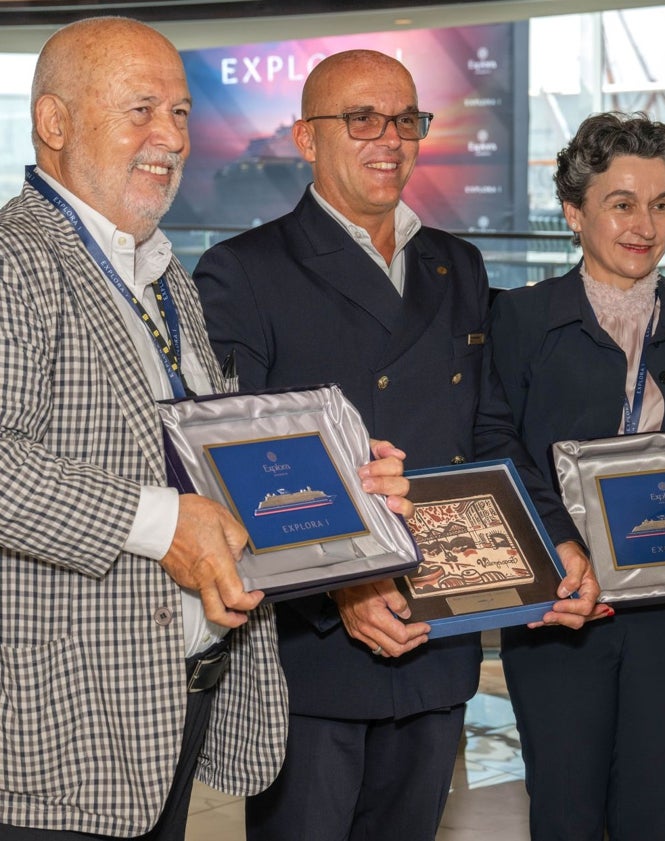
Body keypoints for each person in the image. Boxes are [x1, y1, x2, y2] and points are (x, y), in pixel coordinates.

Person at [0, 19, 412, 840]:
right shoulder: (17, 260)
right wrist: (162, 526)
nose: (171, 138)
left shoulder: (160, 273)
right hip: (54, 737)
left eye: (182, 113)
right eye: (141, 110)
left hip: (164, 709)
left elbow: (214, 456)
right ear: (54, 123)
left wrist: (342, 480)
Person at [194, 49, 601, 841]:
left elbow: (489, 431)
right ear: (306, 138)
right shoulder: (242, 271)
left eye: (406, 120)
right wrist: (337, 590)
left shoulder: (458, 263)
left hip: (438, 634)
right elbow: (235, 470)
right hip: (310, 654)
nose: (390, 139)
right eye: (361, 120)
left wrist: (553, 539)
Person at [489, 112, 665, 841]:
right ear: (573, 213)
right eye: (620, 202)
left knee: (655, 811)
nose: (643, 224)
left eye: (660, 202)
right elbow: (494, 439)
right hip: (559, 609)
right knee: (564, 812)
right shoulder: (517, 319)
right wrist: (557, 541)